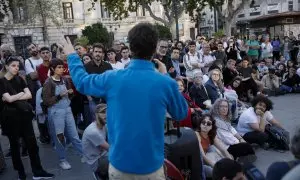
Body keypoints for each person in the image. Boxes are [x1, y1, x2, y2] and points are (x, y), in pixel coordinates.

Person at [62, 23, 188, 179]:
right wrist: (165, 76)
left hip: (120, 166)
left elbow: (81, 82)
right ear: (155, 48)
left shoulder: (113, 78)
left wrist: (72, 57)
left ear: (131, 47)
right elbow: (181, 113)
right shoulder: (165, 83)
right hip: (151, 168)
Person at [0, 56, 54, 179]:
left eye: (18, 66)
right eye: (13, 65)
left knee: (33, 145)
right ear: (7, 66)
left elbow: (28, 95)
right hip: (11, 118)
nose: (16, 68)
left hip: (25, 116)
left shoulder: (20, 79)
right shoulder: (1, 82)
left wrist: (15, 96)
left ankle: (38, 171)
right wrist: (19, 94)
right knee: (15, 146)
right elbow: (8, 99)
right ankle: (21, 173)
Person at [42, 59, 83, 170]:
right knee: (59, 137)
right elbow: (46, 101)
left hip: (67, 109)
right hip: (55, 112)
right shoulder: (48, 82)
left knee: (74, 135)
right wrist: (60, 96)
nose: (61, 69)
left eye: (62, 67)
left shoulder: (65, 80)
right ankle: (62, 160)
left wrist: (70, 93)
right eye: (59, 67)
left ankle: (83, 154)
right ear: (52, 69)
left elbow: (70, 96)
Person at [82, 104, 109, 179]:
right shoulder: (93, 131)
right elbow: (111, 149)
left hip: (102, 155)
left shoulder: (103, 125)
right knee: (122, 160)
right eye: (103, 112)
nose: (106, 114)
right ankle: (100, 174)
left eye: (108, 112)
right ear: (96, 115)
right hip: (95, 162)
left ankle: (105, 175)